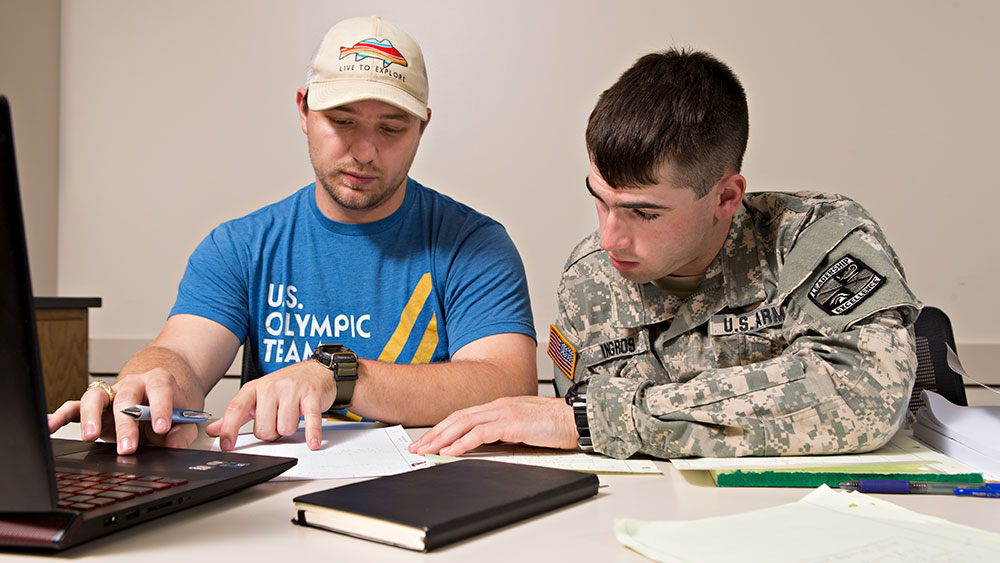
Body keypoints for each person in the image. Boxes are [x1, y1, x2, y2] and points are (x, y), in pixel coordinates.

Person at [49, 16, 537, 455]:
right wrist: (149, 384)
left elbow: (507, 383)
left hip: (428, 495)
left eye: (391, 128)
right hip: (274, 505)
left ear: (422, 128)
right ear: (304, 111)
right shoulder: (240, 247)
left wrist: (338, 377)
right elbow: (179, 356)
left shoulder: (474, 245)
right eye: (342, 122)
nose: (365, 151)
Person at [410, 48, 920, 459]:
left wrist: (603, 420)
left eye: (644, 213)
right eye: (599, 200)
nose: (610, 238)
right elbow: (584, 424)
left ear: (725, 198)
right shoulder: (589, 281)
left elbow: (864, 393)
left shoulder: (816, 240)